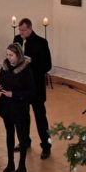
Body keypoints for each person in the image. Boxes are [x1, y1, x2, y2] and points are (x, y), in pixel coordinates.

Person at [0, 44, 34, 172]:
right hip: (6, 106)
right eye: (7, 54)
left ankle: (22, 166)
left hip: (19, 106)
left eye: (11, 55)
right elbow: (3, 82)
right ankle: (10, 163)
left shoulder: (26, 69)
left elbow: (31, 91)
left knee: (21, 137)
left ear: (18, 55)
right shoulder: (5, 66)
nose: (9, 58)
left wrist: (14, 94)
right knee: (9, 134)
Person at [13, 18, 52, 158]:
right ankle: (24, 141)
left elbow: (47, 65)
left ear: (30, 28)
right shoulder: (17, 39)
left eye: (23, 30)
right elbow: (13, 58)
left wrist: (30, 65)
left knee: (40, 118)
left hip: (36, 87)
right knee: (22, 117)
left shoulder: (41, 42)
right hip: (21, 87)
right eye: (20, 30)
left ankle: (46, 146)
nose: (21, 32)